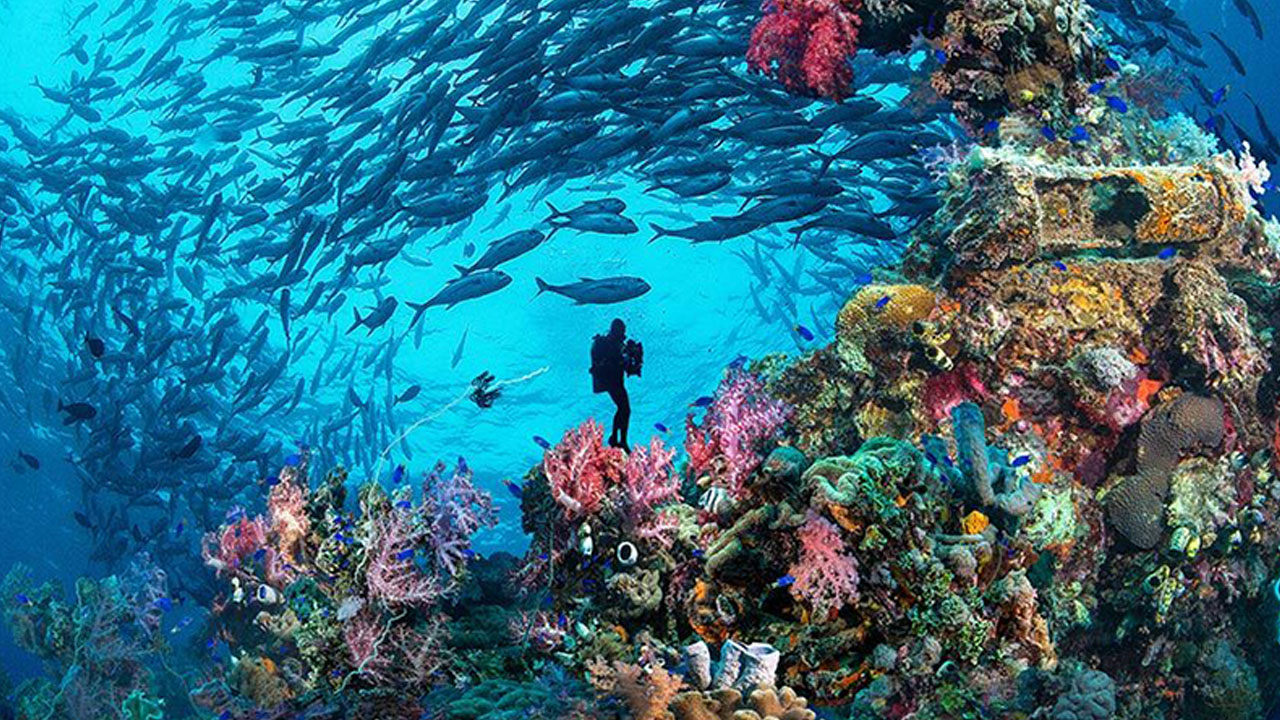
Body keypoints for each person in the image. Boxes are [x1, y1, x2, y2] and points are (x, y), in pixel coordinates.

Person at [591, 318, 641, 450]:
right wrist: (623, 357)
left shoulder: (621, 346)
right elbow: (605, 362)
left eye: (623, 331)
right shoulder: (604, 343)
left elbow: (630, 369)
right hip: (609, 380)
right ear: (614, 329)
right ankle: (619, 440)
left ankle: (618, 439)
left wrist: (636, 357)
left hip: (617, 381)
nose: (623, 334)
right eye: (620, 330)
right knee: (624, 408)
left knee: (624, 408)